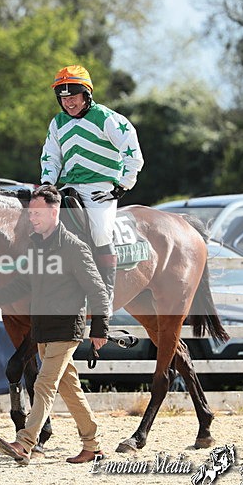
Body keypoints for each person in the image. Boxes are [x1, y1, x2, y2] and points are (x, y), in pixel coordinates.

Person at [0, 185, 109, 464]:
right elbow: (24, 282)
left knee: (44, 385)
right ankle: (92, 445)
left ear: (53, 211)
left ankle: (24, 443)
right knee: (69, 388)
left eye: (36, 213)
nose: (31, 218)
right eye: (29, 213)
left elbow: (98, 290)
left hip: (65, 328)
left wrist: (100, 329)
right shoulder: (35, 245)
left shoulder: (74, 247)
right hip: (42, 330)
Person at [40, 64, 144, 311]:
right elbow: (51, 157)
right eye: (63, 98)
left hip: (101, 189)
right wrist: (47, 185)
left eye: (73, 97)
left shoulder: (109, 119)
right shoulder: (57, 123)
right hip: (67, 186)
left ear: (86, 95)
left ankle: (104, 299)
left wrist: (122, 186)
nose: (68, 103)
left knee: (100, 234)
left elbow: (134, 155)